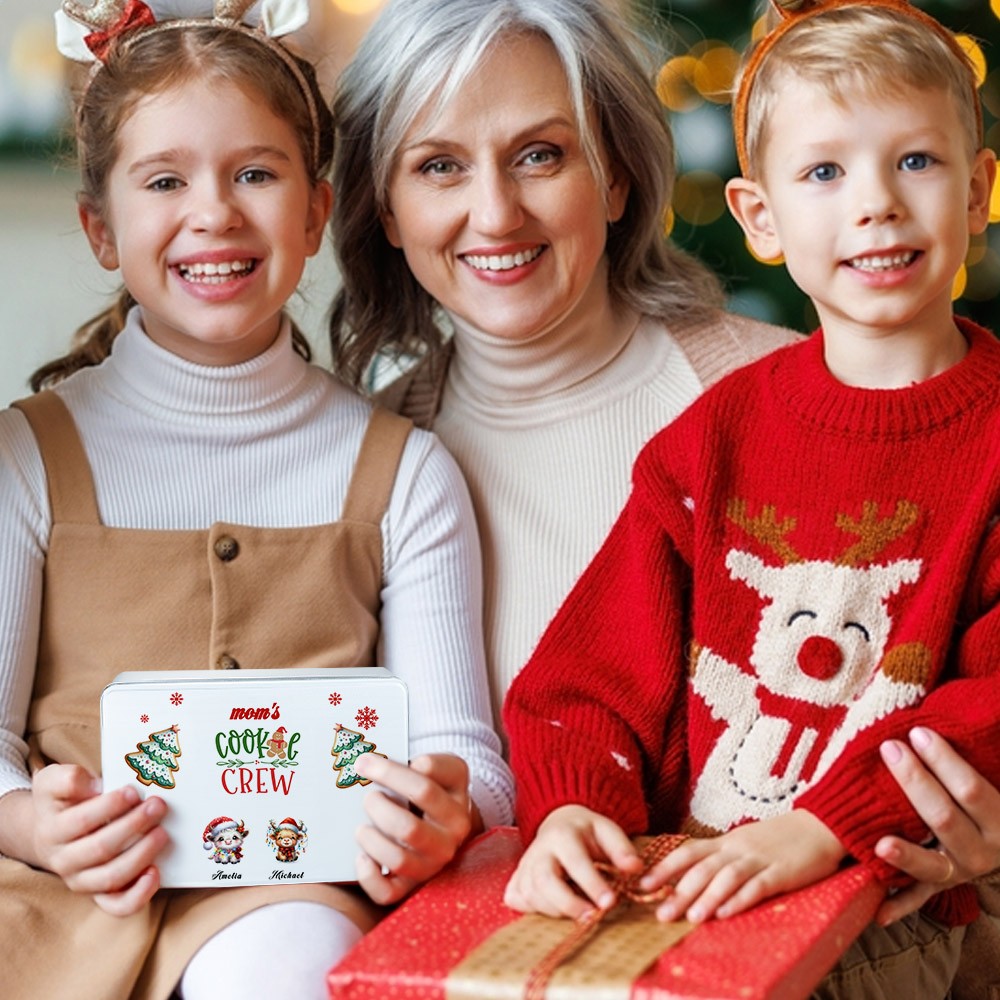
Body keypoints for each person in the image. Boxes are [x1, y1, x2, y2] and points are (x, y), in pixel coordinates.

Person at [328, 0, 1000, 943]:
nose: (495, 210)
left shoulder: (766, 395)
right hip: (624, 928)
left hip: (877, 919)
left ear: (615, 177)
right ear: (383, 209)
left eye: (540, 154)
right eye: (440, 165)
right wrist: (558, 809)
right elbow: (587, 678)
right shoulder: (360, 468)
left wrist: (925, 824)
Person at [0, 2, 512, 998]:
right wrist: (27, 820)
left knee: (284, 968)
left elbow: (465, 753)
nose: (215, 213)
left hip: (290, 897)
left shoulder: (405, 471)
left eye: (256, 174)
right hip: (52, 897)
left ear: (316, 213)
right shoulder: (24, 456)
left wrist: (443, 810)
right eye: (164, 181)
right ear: (101, 229)